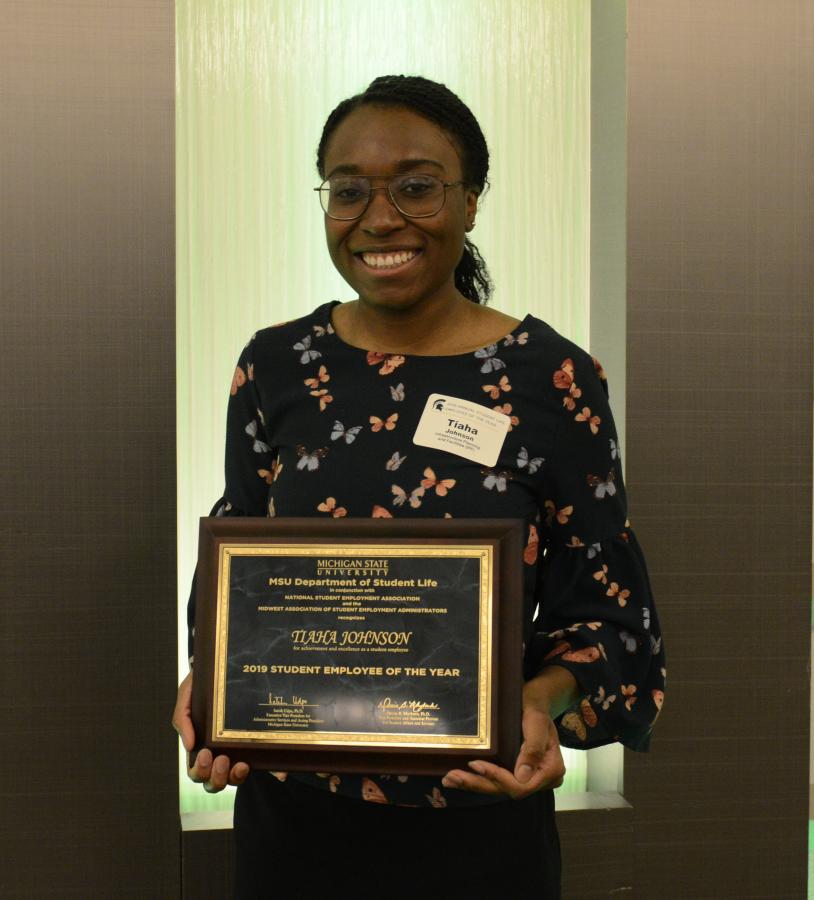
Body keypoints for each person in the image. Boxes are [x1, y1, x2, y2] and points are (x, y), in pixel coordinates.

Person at [173, 74, 665, 899]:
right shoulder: (276, 365)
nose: (380, 217)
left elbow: (607, 612)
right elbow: (245, 569)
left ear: (471, 201)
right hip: (294, 823)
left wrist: (540, 700)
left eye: (416, 186)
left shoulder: (553, 379)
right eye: (349, 189)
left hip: (477, 819)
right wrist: (218, 682)